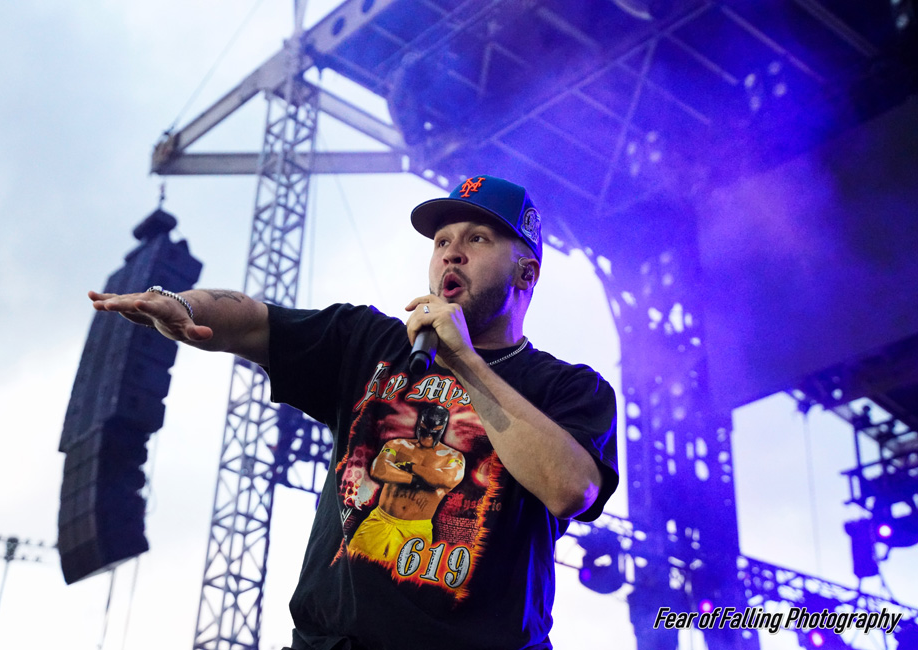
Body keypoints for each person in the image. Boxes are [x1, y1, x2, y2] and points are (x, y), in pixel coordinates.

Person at [89, 174, 620, 650]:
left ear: (525, 272)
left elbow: (571, 488)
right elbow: (252, 319)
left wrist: (465, 361)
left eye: (477, 239)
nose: (451, 254)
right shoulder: (368, 342)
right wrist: (181, 304)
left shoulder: (568, 389)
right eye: (441, 242)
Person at [347, 405, 466, 564]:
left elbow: (447, 479)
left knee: (403, 585)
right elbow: (380, 470)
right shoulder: (396, 445)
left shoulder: (454, 457)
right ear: (419, 423)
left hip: (415, 531)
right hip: (380, 521)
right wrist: (418, 480)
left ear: (442, 428)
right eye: (424, 428)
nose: (428, 435)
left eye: (433, 431)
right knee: (355, 566)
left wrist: (410, 467)